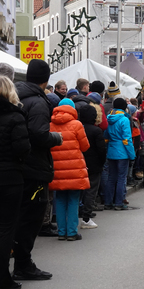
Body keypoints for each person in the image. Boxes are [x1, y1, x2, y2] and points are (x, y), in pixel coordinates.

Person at [13, 59, 63, 281]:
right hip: (33, 167)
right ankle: (24, 264)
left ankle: (19, 262)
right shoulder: (38, 103)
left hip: (15, 166)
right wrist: (57, 137)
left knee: (14, 217)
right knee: (30, 217)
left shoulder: (14, 96)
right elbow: (39, 135)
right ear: (47, 79)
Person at [0, 75, 30, 289]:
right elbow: (22, 149)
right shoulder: (14, 115)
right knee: (6, 228)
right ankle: (3, 277)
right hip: (10, 177)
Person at [48, 98, 90, 241]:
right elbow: (85, 146)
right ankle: (71, 232)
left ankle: (61, 231)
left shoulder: (50, 125)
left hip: (57, 168)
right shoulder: (77, 124)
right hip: (74, 168)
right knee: (73, 199)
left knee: (59, 199)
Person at [103, 98, 135, 210]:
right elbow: (127, 139)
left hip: (111, 150)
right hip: (122, 152)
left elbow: (106, 136)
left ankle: (108, 202)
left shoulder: (108, 118)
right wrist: (132, 154)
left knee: (111, 177)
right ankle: (118, 203)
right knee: (122, 178)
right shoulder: (124, 119)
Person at [79, 104, 107, 230]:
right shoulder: (96, 131)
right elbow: (101, 149)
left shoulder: (79, 128)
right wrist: (102, 162)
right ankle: (86, 217)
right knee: (91, 191)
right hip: (94, 164)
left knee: (77, 192)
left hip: (79, 163)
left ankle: (75, 216)